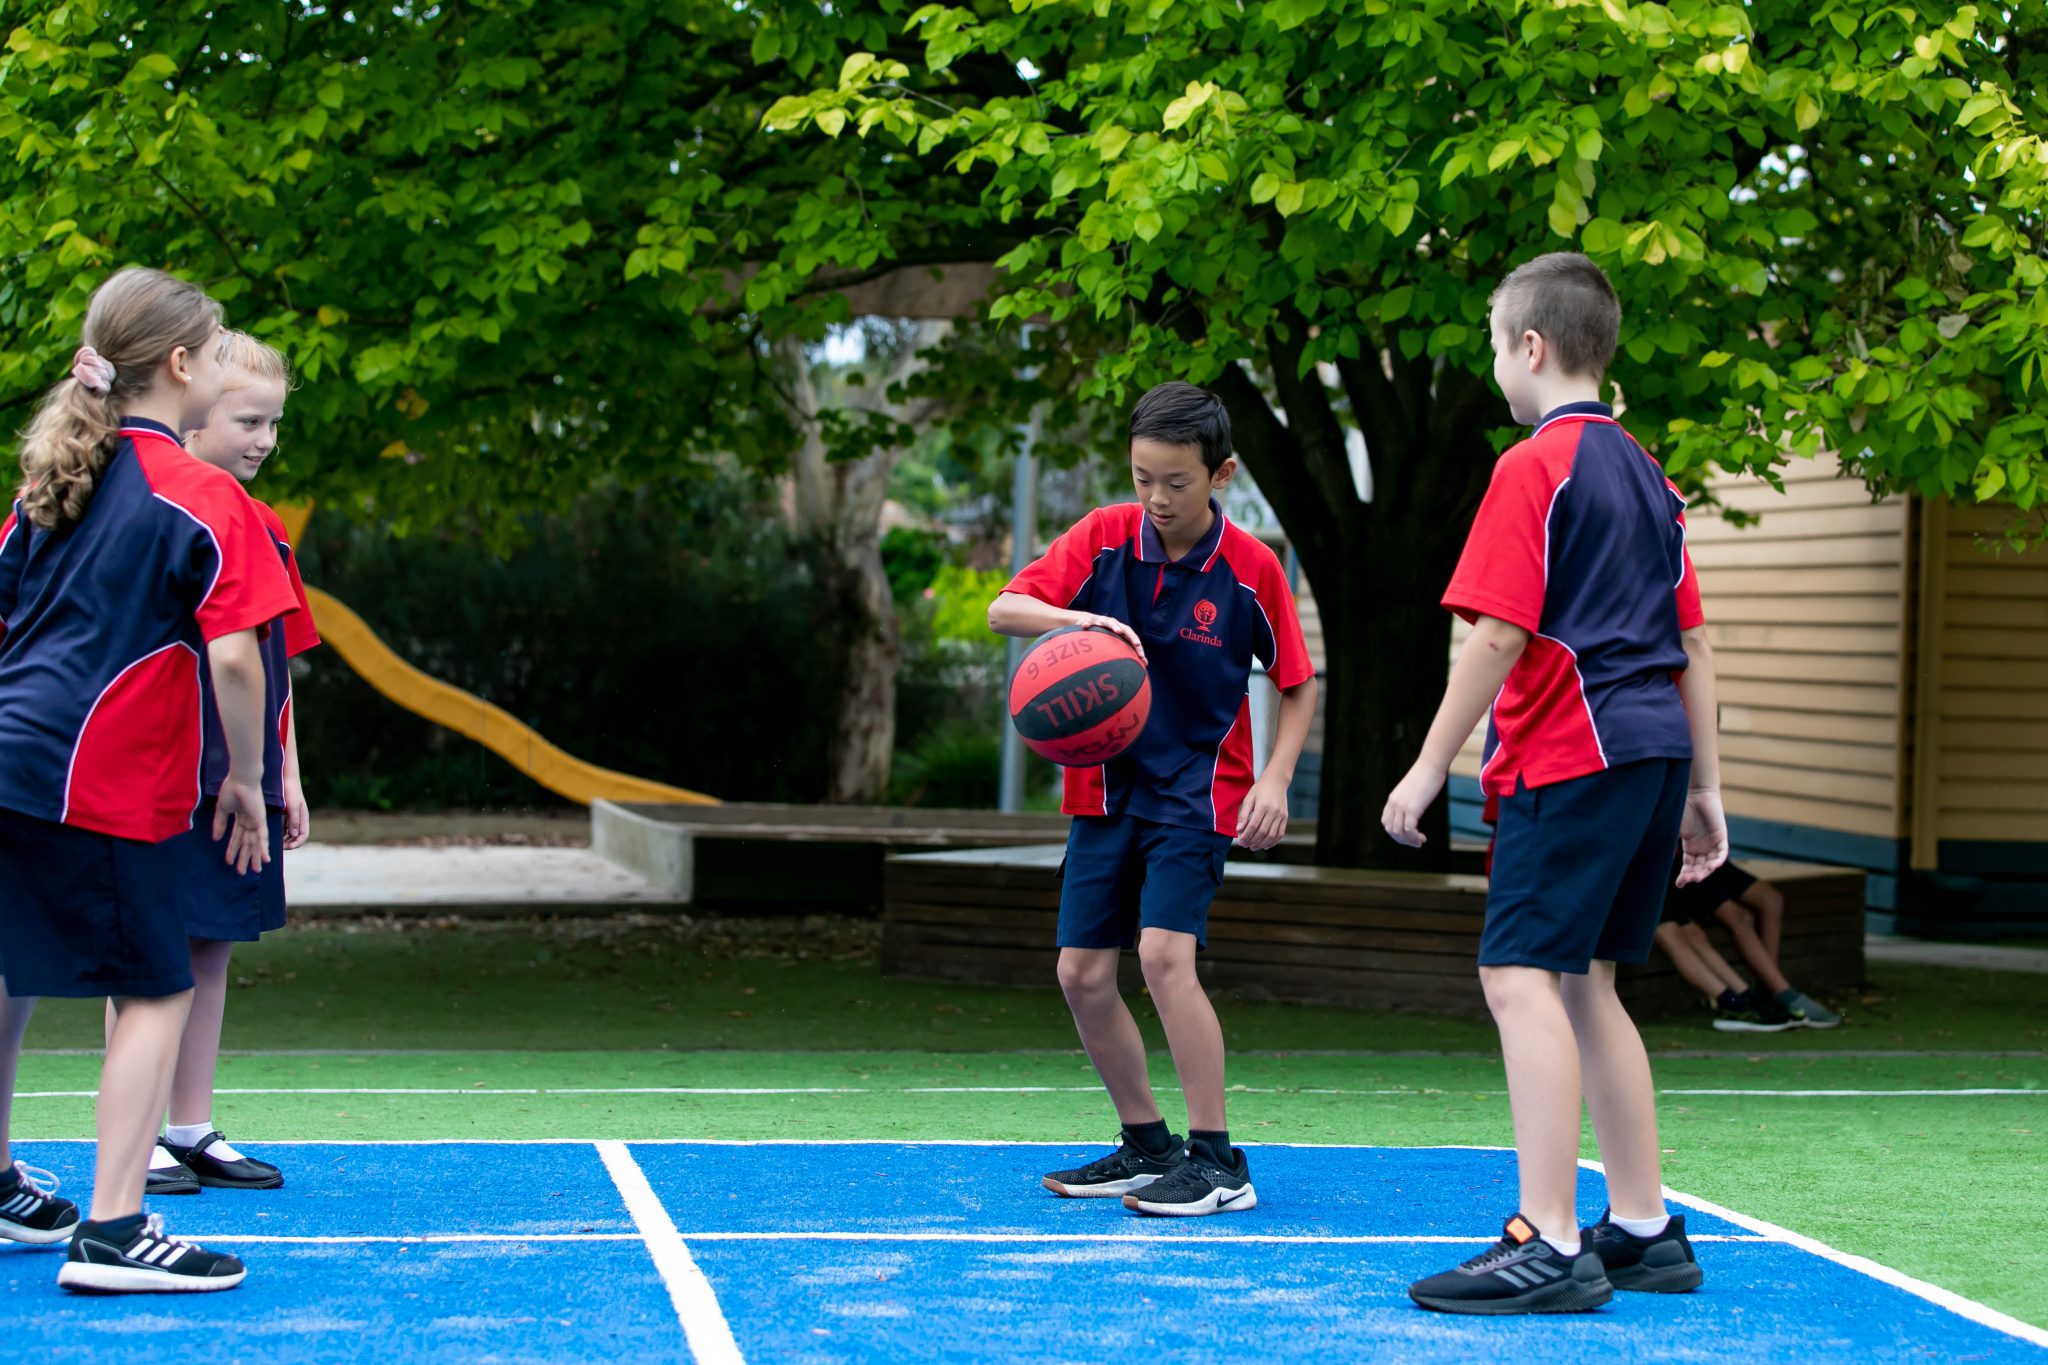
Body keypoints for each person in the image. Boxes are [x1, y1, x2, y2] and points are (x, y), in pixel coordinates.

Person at [1382, 252, 1725, 1313]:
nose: (1494, 363)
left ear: (1528, 348)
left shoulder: (1531, 468)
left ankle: (1548, 1238)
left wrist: (1426, 764)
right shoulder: (1648, 475)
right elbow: (1692, 647)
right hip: (1651, 750)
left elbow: (1494, 632)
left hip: (1569, 753)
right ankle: (1642, 1226)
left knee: (1518, 977)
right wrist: (1706, 791)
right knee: (1586, 984)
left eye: (1493, 343)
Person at [0, 268, 296, 1292]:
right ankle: (116, 1231)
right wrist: (249, 779)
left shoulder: (50, 477)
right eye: (217, 351)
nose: (223, 365)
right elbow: (234, 657)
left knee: (10, 968)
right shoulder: (200, 493)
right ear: (180, 366)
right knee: (155, 988)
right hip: (100, 773)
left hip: (14, 749)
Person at [988, 381, 1316, 1216]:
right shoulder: (1103, 538)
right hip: (1103, 786)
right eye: (1143, 477)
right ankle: (1147, 1144)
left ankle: (1218, 1161)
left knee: (1166, 958)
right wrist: (1076, 624)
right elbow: (1004, 608)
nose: (1158, 497)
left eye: (1177, 480)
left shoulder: (1251, 571)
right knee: (1082, 974)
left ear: (1222, 474)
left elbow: (1297, 683)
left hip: (1198, 792)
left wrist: (1275, 780)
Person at [135, 332, 322, 1197]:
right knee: (151, 949)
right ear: (196, 409)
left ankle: (189, 1127)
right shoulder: (167, 511)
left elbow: (275, 658)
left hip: (242, 771)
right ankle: (135, 1138)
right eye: (249, 419)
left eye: (274, 423)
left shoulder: (266, 525)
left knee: (212, 944)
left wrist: (283, 769)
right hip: (174, 769)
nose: (263, 439)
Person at [1664, 859, 1841, 1028]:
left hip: (1696, 853)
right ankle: (1755, 999)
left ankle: (1757, 996)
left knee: (1770, 900)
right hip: (1669, 864)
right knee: (1688, 930)